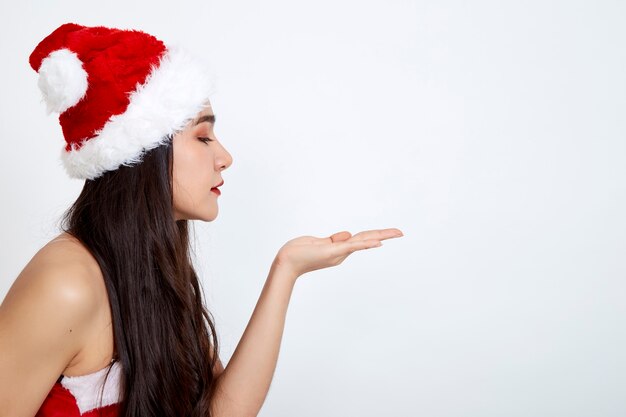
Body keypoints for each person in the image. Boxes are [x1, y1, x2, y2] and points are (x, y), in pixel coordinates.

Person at [0, 22, 404, 417]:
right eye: (203, 137)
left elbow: (219, 411)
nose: (225, 157)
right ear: (142, 153)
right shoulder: (65, 283)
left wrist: (286, 270)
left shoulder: (152, 270)